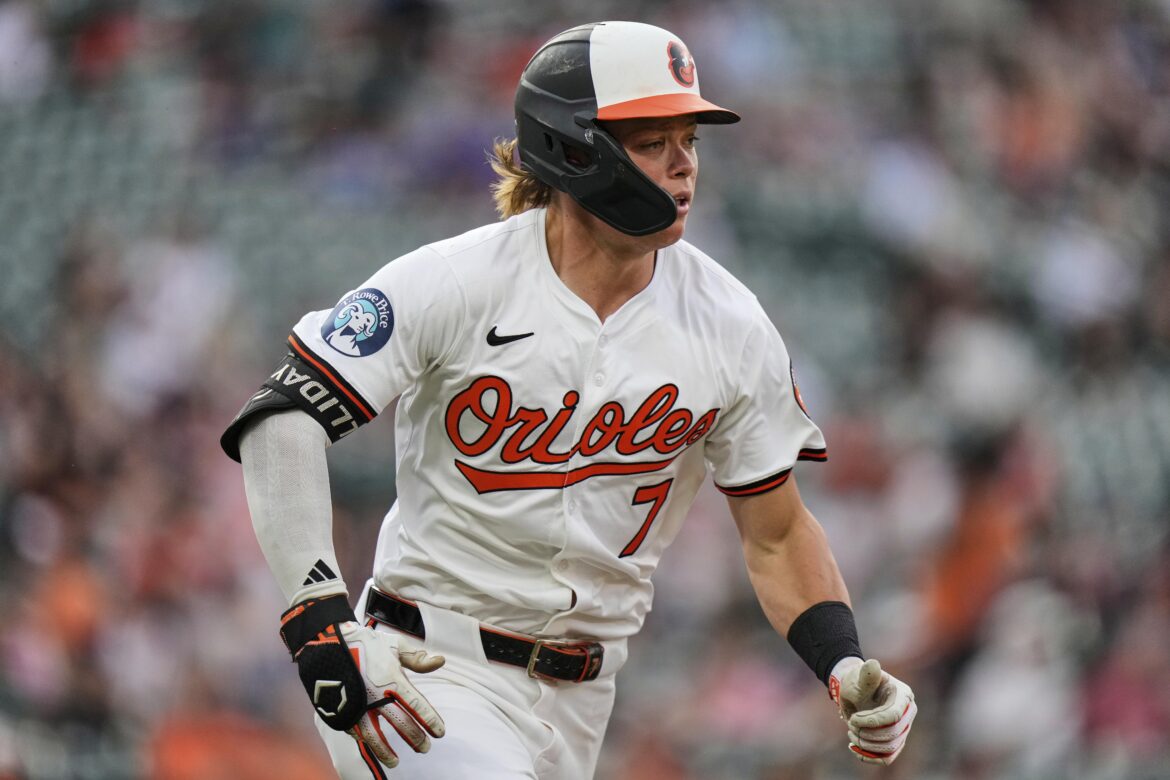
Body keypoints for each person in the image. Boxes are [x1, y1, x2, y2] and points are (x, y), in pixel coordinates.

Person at [221, 21, 917, 779]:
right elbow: (283, 417)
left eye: (691, 139)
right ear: (573, 147)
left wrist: (842, 664)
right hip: (422, 673)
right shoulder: (458, 281)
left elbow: (777, 533)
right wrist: (317, 617)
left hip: (583, 704)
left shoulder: (730, 324)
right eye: (654, 141)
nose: (685, 165)